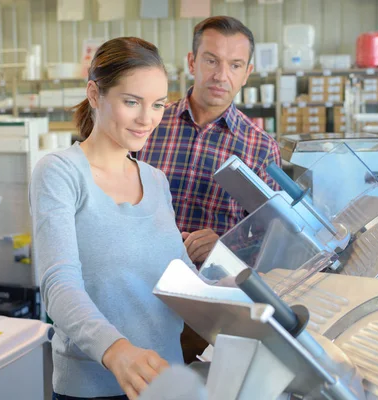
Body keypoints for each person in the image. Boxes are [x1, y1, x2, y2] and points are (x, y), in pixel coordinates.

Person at [29, 37, 195, 400]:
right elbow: (59, 284)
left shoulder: (155, 179)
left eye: (158, 105)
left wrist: (245, 295)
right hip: (93, 387)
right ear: (94, 94)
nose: (146, 119)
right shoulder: (60, 173)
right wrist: (116, 351)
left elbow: (181, 277)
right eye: (131, 102)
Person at [135, 16, 282, 363]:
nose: (221, 75)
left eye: (234, 65)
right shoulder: (148, 124)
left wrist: (224, 245)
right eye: (211, 60)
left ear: (247, 73)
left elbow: (271, 241)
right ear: (192, 62)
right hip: (137, 292)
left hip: (204, 312)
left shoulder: (260, 148)